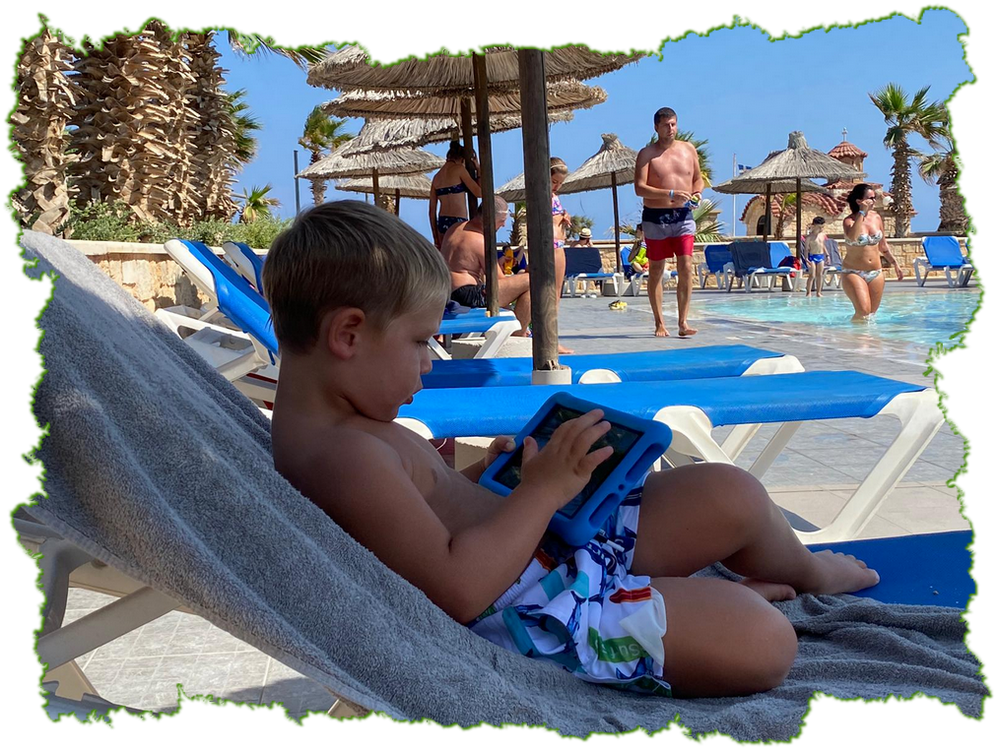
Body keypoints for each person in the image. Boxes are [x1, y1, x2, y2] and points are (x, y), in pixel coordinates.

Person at [263, 200, 880, 699]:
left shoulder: (349, 428)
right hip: (536, 610)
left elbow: (429, 512)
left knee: (729, 491)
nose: (428, 364)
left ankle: (801, 574)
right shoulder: (344, 456)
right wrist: (541, 490)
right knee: (765, 642)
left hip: (545, 549)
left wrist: (492, 474)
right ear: (348, 334)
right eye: (421, 342)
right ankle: (716, 607)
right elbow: (458, 590)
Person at [634, 107, 703, 338]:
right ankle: (660, 322)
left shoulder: (688, 149)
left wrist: (697, 193)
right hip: (656, 217)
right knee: (656, 269)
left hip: (683, 216)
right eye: (665, 125)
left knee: (686, 265)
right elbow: (639, 188)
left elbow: (697, 179)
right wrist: (670, 193)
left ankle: (683, 322)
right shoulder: (647, 154)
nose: (670, 129)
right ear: (656, 127)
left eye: (673, 124)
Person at [440, 195, 531, 337]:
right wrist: (521, 275)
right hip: (467, 296)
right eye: (502, 221)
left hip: (445, 291)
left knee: (523, 287)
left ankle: (518, 331)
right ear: (490, 218)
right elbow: (498, 281)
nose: (503, 225)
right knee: (532, 281)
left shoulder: (455, 228)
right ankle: (518, 334)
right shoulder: (480, 241)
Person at [841, 183, 904, 321]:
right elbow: (853, 237)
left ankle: (865, 334)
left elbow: (883, 246)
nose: (874, 201)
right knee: (863, 311)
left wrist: (895, 264)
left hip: (875, 272)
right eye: (870, 198)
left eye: (874, 197)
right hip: (853, 272)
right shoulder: (849, 221)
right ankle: (851, 334)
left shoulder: (876, 217)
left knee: (870, 315)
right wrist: (862, 213)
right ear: (859, 201)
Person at [429, 141, 481, 249]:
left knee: (445, 257)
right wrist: (478, 169)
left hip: (442, 222)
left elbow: (431, 211)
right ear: (462, 159)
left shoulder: (436, 177)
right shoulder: (459, 169)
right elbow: (479, 193)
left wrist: (435, 236)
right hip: (458, 221)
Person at [550, 157, 574, 354]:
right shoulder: (544, 196)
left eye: (560, 183)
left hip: (557, 243)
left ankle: (551, 337)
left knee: (555, 294)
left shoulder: (551, 196)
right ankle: (552, 339)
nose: (557, 186)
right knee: (554, 295)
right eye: (554, 181)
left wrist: (563, 216)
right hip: (553, 245)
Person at [803, 217, 828, 297]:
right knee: (812, 275)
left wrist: (827, 255)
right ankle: (808, 292)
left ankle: (819, 292)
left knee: (820, 275)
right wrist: (806, 258)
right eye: (819, 227)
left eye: (822, 227)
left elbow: (823, 245)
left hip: (821, 256)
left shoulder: (822, 235)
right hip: (812, 257)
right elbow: (806, 249)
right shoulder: (809, 237)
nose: (821, 229)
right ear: (814, 226)